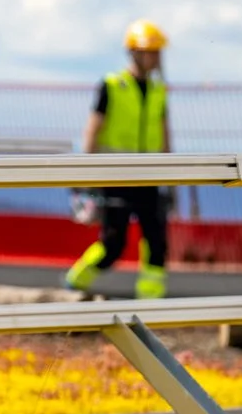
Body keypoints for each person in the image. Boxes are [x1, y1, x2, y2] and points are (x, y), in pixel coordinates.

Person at [65, 20, 172, 299]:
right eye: (150, 52)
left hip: (150, 176)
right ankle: (76, 280)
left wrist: (172, 177)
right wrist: (86, 175)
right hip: (116, 175)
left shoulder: (159, 90)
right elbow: (93, 130)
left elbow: (164, 134)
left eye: (158, 52)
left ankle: (151, 298)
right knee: (113, 243)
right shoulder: (112, 86)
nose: (156, 58)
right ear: (134, 52)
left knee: (157, 239)